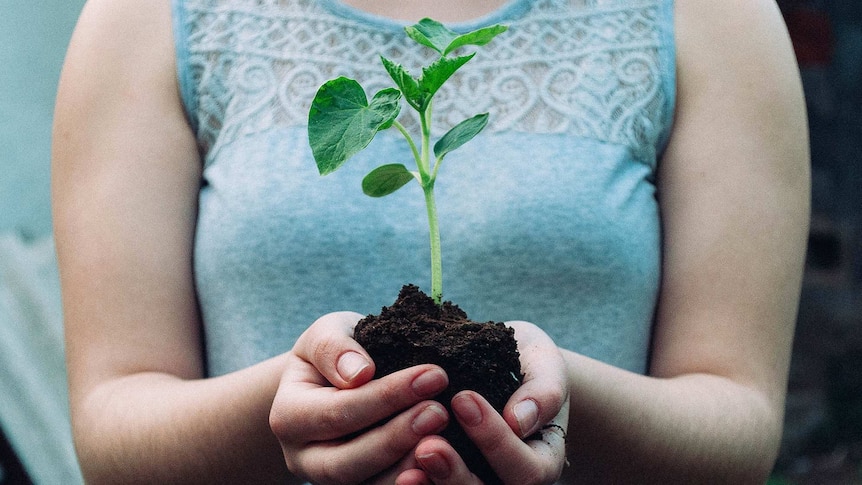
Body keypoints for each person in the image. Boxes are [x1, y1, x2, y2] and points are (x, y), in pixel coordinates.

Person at [51, 0, 809, 482]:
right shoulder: (147, 16)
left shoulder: (714, 16)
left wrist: (559, 391)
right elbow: (113, 423)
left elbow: (737, 420)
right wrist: (301, 401)